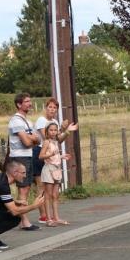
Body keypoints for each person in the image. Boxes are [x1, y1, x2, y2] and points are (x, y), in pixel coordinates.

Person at [33, 97, 78, 223]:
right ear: (46, 108)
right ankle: (44, 215)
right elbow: (48, 137)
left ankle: (53, 216)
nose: (52, 110)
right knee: (42, 186)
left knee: (53, 190)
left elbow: (58, 139)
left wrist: (67, 131)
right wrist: (62, 130)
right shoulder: (42, 120)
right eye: (50, 107)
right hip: (41, 152)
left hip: (54, 157)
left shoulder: (55, 122)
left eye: (55, 108)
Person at [8, 93, 40, 230]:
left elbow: (38, 140)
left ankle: (23, 219)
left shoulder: (28, 121)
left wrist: (33, 138)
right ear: (19, 104)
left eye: (30, 101)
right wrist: (32, 138)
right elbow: (28, 142)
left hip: (28, 155)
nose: (30, 103)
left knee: (26, 187)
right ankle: (24, 220)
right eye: (26, 101)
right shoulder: (16, 121)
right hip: (20, 156)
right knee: (22, 188)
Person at [39, 122, 71, 227]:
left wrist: (62, 156)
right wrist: (49, 154)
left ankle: (56, 217)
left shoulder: (56, 142)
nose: (53, 132)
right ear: (47, 132)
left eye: (55, 130)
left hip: (56, 169)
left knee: (55, 195)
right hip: (48, 169)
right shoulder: (46, 142)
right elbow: (41, 156)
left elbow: (55, 155)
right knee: (48, 195)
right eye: (51, 130)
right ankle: (48, 219)